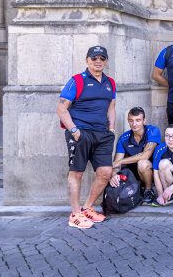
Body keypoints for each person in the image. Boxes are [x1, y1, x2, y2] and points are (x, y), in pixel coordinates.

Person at [57, 46, 116, 229]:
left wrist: (111, 130)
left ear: (106, 61)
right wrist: (74, 131)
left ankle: (88, 208)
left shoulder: (110, 83)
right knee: (77, 173)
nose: (98, 61)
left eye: (101, 58)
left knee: (105, 172)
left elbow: (111, 108)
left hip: (102, 134)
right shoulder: (77, 80)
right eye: (94, 58)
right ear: (87, 60)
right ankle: (75, 215)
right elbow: (61, 109)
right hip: (81, 133)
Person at [110, 107, 161, 205]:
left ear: (144, 120)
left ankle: (148, 191)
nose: (134, 124)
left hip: (154, 172)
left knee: (142, 163)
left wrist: (120, 162)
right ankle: (137, 188)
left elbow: (146, 155)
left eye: (138, 120)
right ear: (128, 121)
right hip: (134, 175)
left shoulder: (153, 130)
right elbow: (116, 162)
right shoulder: (124, 138)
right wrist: (114, 175)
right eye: (131, 120)